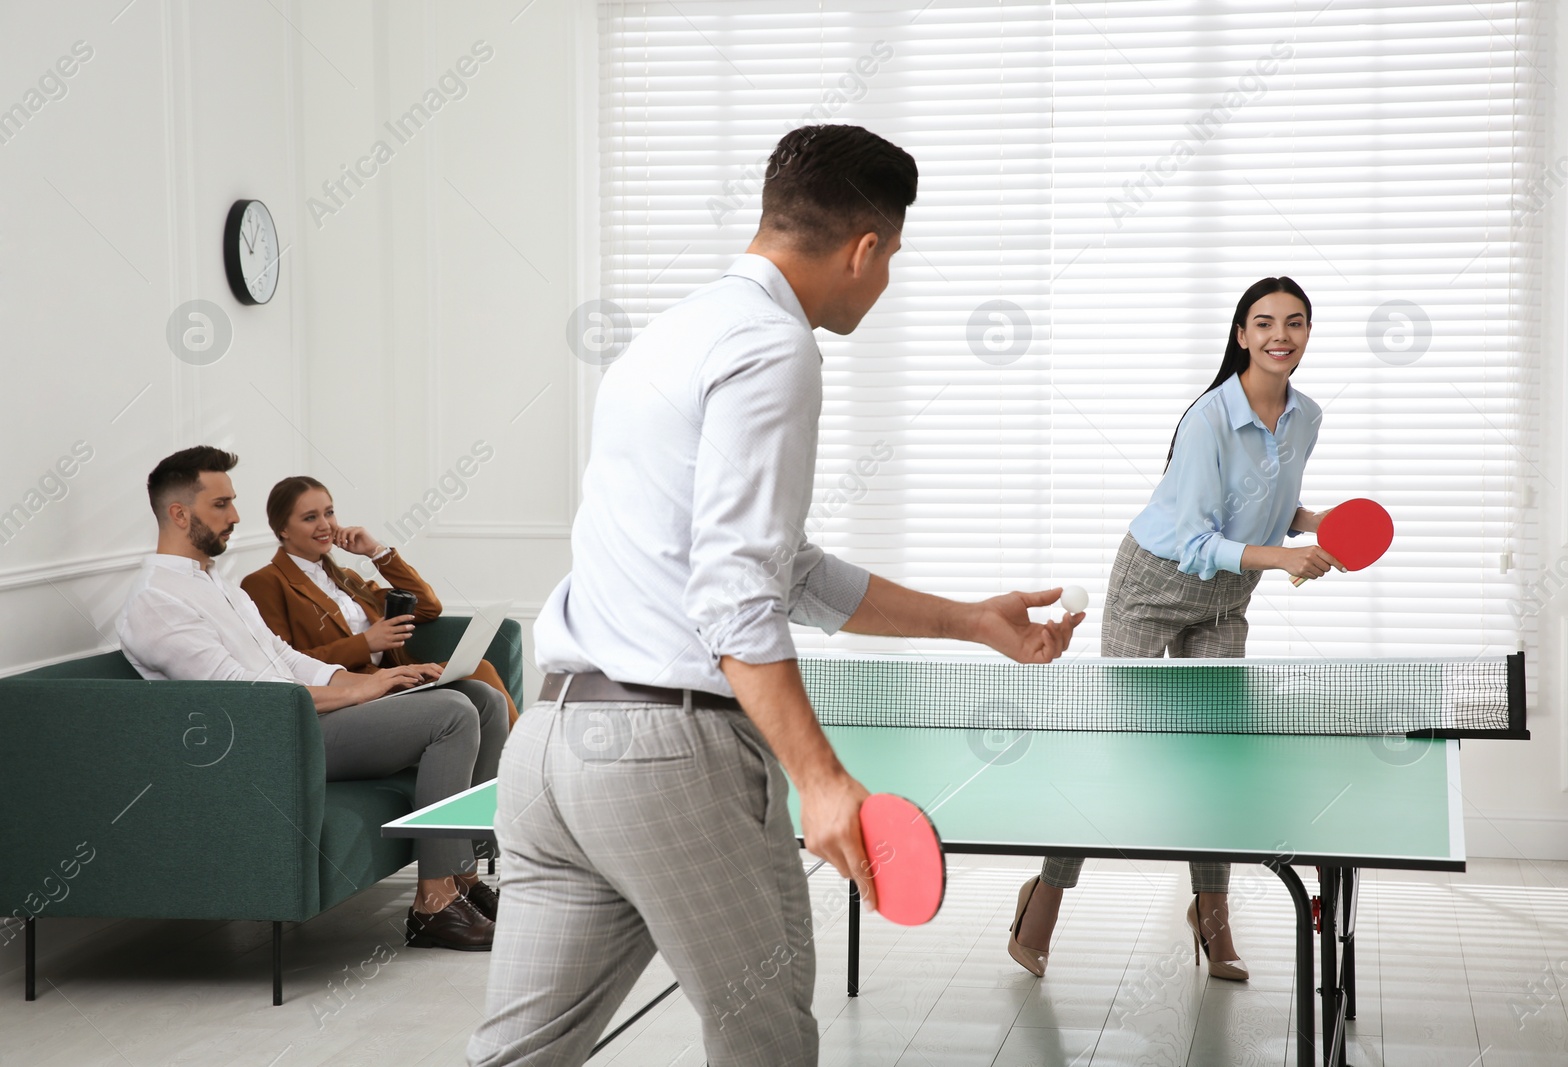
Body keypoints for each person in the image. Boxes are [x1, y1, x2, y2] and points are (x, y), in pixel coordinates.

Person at [467, 125, 1085, 1067]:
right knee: (766, 1043)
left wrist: (969, 621)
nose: (884, 286)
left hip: (550, 750)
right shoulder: (775, 348)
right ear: (864, 247)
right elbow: (735, 592)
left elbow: (782, 567)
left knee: (516, 1054)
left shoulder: (672, 333)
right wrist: (821, 777)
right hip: (668, 759)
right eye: (892, 262)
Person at [1005, 276, 1338, 983]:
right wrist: (1282, 556)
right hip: (1153, 584)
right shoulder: (1208, 419)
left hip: (1226, 598)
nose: (1281, 333)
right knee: (1109, 743)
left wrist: (1312, 525)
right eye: (1265, 321)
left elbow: (1267, 502)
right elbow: (1194, 537)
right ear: (1242, 335)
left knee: (1212, 756)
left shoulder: (1305, 416)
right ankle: (1044, 902)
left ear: (1308, 333)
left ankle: (1212, 918)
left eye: (1296, 322)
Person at [117, 447, 509, 951]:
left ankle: (463, 877)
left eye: (233, 502)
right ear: (178, 513)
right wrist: (366, 687)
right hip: (269, 741)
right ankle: (433, 904)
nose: (236, 516)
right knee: (450, 714)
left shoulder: (219, 586)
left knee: (480, 697)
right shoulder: (157, 602)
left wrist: (375, 679)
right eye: (221, 505)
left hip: (300, 719)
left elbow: (285, 658)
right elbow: (249, 700)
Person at [240, 475, 519, 727]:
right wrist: (366, 644)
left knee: (480, 671)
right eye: (310, 517)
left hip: (393, 678)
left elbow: (426, 605)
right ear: (283, 529)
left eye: (329, 513)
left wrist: (377, 551)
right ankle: (531, 767)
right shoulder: (265, 583)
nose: (325, 525)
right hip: (349, 693)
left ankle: (520, 768)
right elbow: (283, 664)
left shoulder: (346, 577)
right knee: (477, 684)